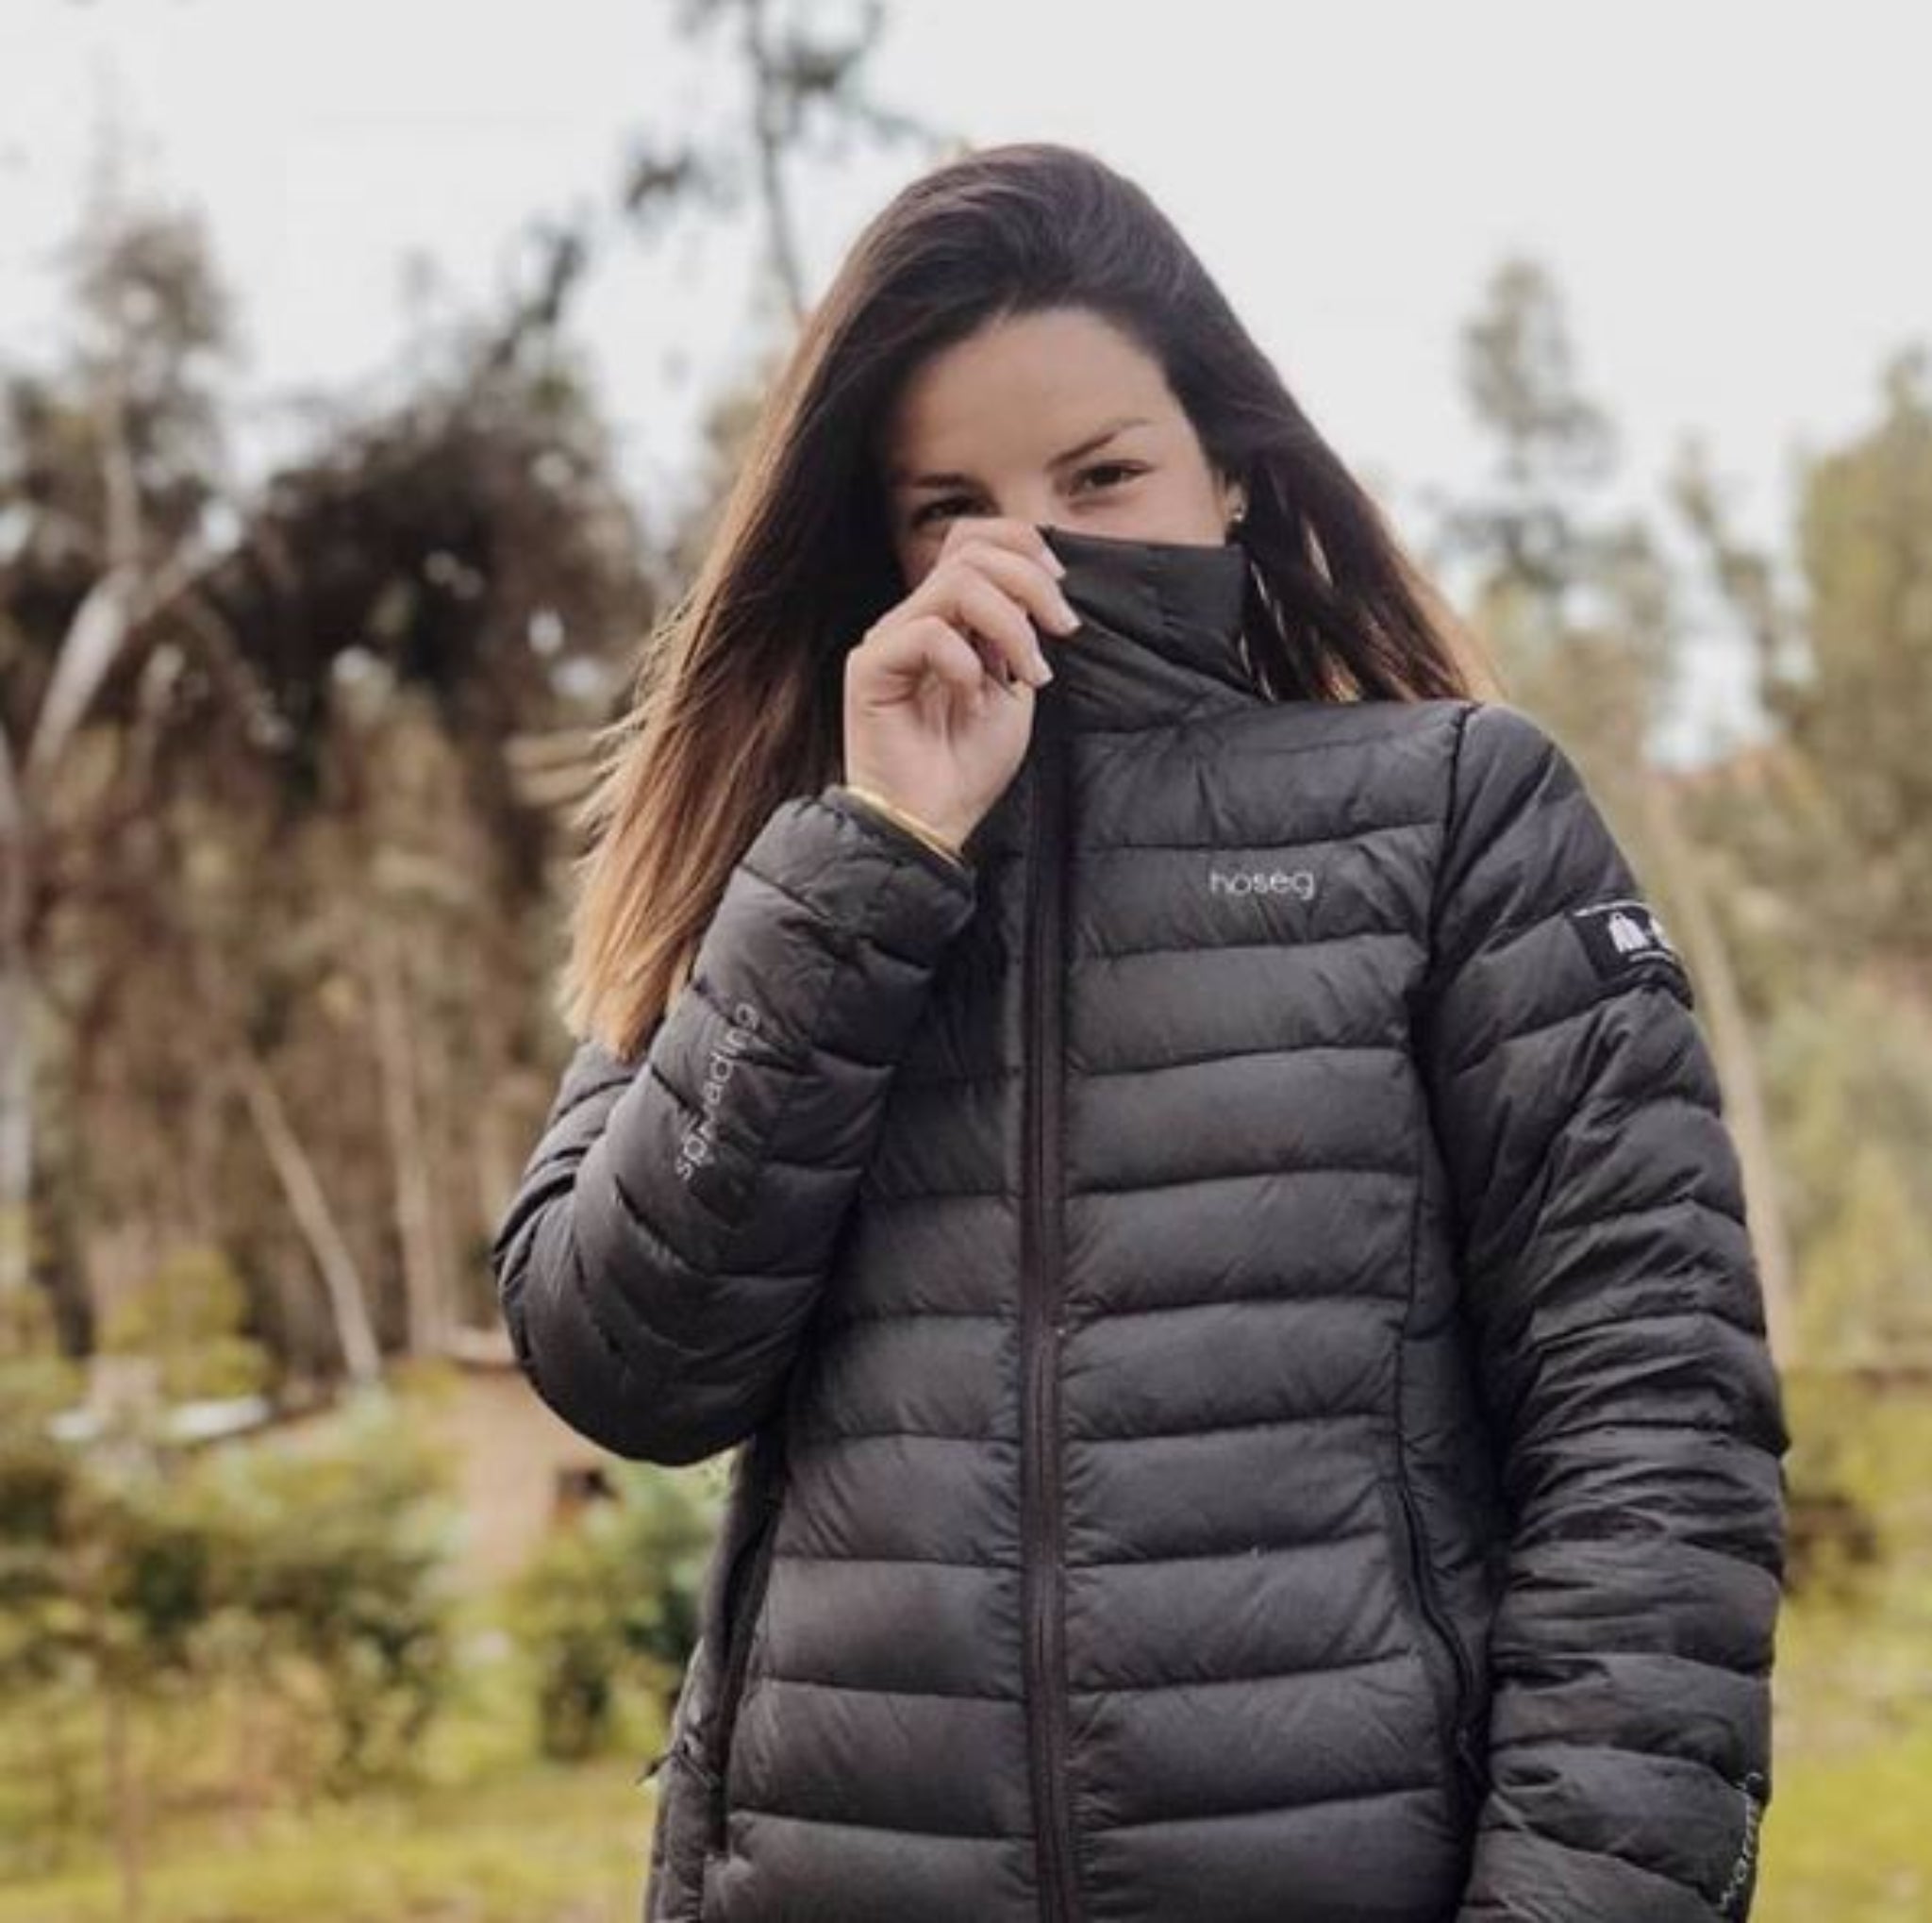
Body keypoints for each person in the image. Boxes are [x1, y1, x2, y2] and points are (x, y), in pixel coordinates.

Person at [489, 141, 1789, 1923]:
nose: (1033, 552)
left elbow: (1656, 1435)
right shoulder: (793, 872)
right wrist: (872, 862)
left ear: (1233, 470)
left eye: (1103, 471)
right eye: (952, 505)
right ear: (876, 533)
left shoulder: (1453, 816)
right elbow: (623, 1365)